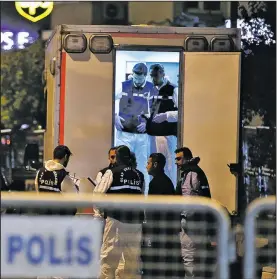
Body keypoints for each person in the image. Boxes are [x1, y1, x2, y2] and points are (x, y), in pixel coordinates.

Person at [94, 145, 144, 279]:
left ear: (118, 157)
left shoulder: (112, 172)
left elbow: (97, 195)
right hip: (135, 223)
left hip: (116, 220)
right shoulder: (140, 175)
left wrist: (102, 212)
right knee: (131, 261)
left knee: (109, 258)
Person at [114, 63, 158, 191]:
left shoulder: (151, 89)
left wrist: (147, 123)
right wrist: (114, 115)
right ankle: (119, 191)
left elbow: (156, 110)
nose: (137, 81)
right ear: (132, 74)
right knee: (120, 162)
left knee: (142, 166)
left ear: (145, 76)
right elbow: (107, 99)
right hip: (124, 134)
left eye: (140, 79)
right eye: (135, 78)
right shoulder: (123, 86)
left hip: (142, 136)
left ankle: (142, 198)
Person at [142, 153, 185, 278]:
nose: (146, 166)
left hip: (160, 231)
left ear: (155, 164)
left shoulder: (157, 183)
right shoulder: (166, 181)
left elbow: (153, 209)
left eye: (148, 163)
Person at [175, 147, 214, 279]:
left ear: (187, 158)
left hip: (191, 223)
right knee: (199, 261)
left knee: (189, 259)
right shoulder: (198, 172)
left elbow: (188, 199)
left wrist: (184, 218)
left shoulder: (190, 173)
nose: (176, 162)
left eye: (179, 158)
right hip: (202, 222)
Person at [147, 64, 178, 187]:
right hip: (151, 135)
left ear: (162, 73)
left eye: (156, 75)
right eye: (152, 76)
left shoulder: (173, 89)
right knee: (151, 168)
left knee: (168, 167)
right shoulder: (150, 89)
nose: (154, 78)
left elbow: (182, 112)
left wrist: (166, 116)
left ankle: (169, 196)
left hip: (167, 135)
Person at [35, 145, 77, 215]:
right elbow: (73, 198)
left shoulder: (40, 172)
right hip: (58, 217)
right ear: (66, 157)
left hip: (42, 215)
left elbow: (38, 192)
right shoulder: (63, 176)